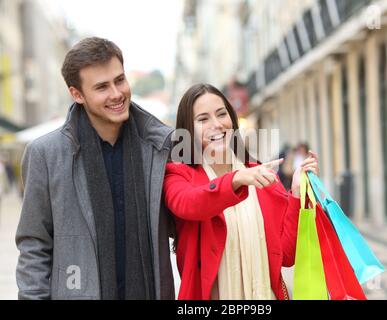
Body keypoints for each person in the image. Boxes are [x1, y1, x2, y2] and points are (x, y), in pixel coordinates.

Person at [15, 37, 175, 300]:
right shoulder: (44, 154)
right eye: (102, 87)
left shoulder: (162, 146)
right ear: (77, 94)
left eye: (119, 80)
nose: (116, 94)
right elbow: (34, 245)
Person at [163, 84, 319, 300]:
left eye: (221, 114)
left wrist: (296, 193)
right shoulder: (178, 175)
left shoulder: (259, 174)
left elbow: (286, 255)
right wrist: (236, 180)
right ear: (187, 130)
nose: (216, 125)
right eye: (203, 119)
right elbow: (189, 204)